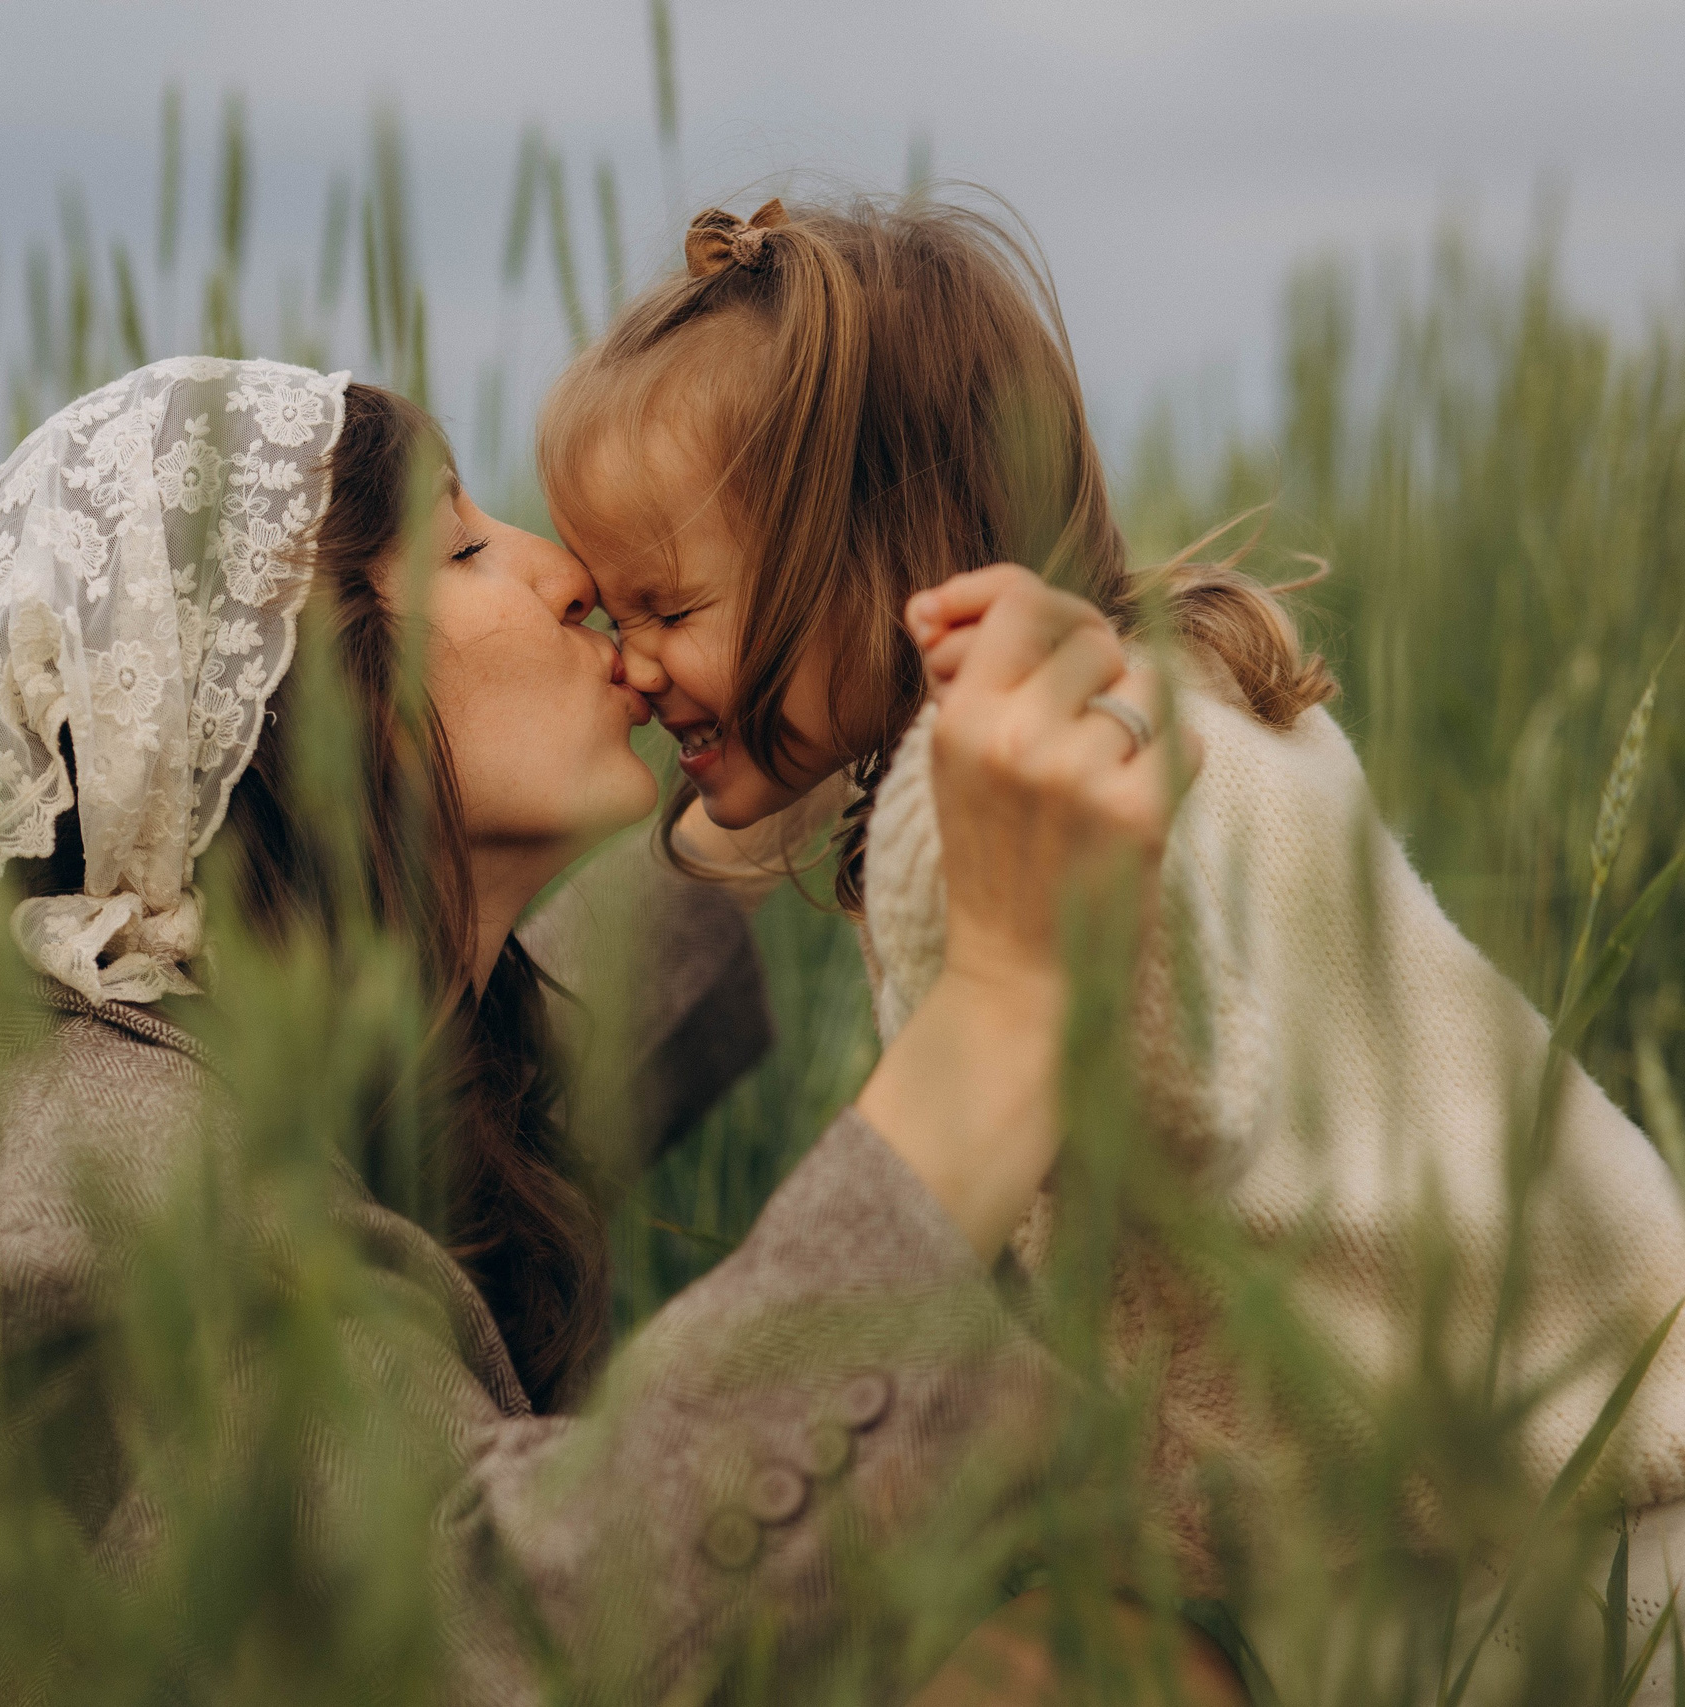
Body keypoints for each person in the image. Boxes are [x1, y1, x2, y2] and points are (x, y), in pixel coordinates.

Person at [0, 357, 1227, 1703]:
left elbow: (527, 1070)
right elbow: (489, 1639)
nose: (568, 573)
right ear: (297, 710)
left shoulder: (120, 1067)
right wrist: (1006, 1010)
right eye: (462, 546)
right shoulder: (104, 1202)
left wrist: (789, 741)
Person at [537, 190, 1685, 1681]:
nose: (629, 667)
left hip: (1513, 1559)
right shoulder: (1171, 697)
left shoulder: (997, 801)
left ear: (888, 552)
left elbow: (1163, 1106)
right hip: (1574, 1453)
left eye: (664, 604)